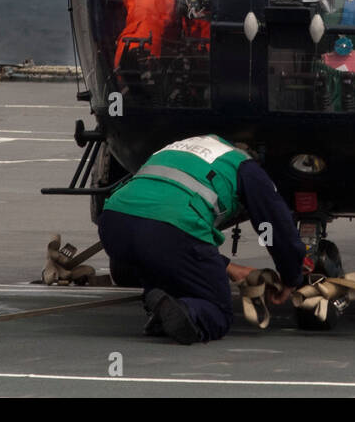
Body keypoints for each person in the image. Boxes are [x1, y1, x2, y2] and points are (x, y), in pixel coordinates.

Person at [97, 134, 309, 344]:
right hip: (168, 230)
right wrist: (292, 276)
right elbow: (274, 223)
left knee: (164, 263)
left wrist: (226, 266)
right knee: (217, 311)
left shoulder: (176, 148)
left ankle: (161, 304)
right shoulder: (244, 166)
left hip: (114, 225)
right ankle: (187, 313)